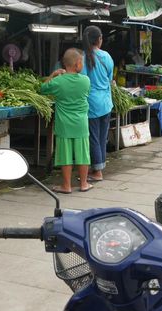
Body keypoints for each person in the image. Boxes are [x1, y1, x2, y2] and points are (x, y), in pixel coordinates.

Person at [40, 49, 92, 194]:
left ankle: (67, 186)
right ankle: (83, 184)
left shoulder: (58, 81)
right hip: (81, 123)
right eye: (81, 62)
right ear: (77, 64)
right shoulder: (85, 80)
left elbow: (42, 89)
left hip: (64, 124)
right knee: (83, 154)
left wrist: (53, 75)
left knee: (65, 155)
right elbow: (85, 93)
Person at [81, 26, 114, 182]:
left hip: (92, 103)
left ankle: (97, 172)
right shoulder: (106, 56)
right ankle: (98, 168)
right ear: (99, 39)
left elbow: (83, 82)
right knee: (101, 137)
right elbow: (109, 78)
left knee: (93, 137)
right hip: (106, 102)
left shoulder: (83, 58)